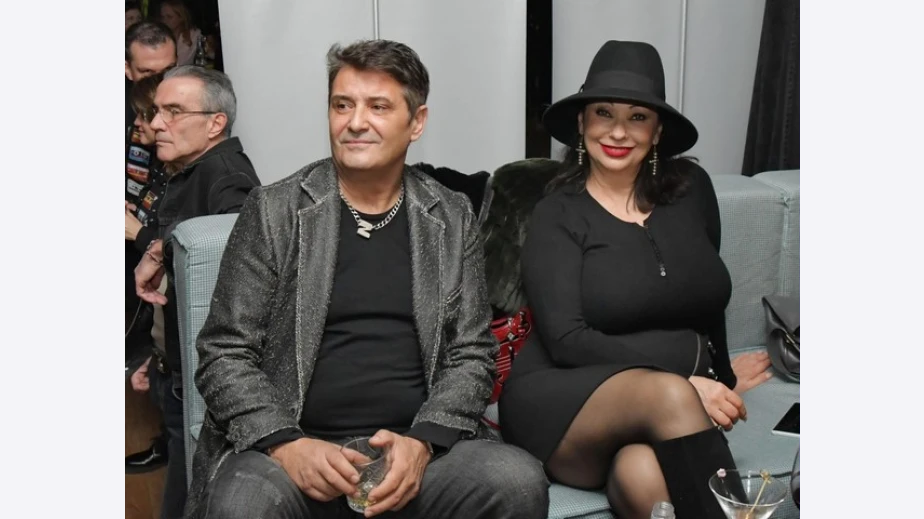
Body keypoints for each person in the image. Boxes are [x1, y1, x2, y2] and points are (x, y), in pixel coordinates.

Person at [184, 39, 549, 519]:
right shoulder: (274, 210)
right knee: (243, 504)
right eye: (342, 105)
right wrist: (286, 444)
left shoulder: (450, 215)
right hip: (293, 455)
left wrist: (423, 443)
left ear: (416, 121)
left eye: (378, 106)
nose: (355, 122)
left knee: (516, 482)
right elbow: (224, 351)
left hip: (416, 457)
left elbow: (472, 353)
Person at [498, 40, 773, 519]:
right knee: (669, 396)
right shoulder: (556, 213)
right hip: (564, 403)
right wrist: (686, 384)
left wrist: (722, 382)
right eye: (603, 113)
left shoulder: (692, 191)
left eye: (638, 117)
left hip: (665, 408)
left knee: (642, 475)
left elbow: (709, 302)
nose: (619, 131)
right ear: (582, 122)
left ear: (658, 129)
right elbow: (566, 339)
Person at [133, 65, 261, 519]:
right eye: (156, 111)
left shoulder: (226, 176)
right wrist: (157, 354)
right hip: (175, 366)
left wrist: (156, 246)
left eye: (173, 111)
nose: (156, 124)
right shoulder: (192, 170)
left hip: (199, 377)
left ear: (215, 123)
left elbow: (237, 246)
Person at [160, 0, 202, 67]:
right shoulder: (159, 35)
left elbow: (181, 63)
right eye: (162, 17)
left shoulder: (193, 35)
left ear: (181, 18)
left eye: (169, 17)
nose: (164, 21)